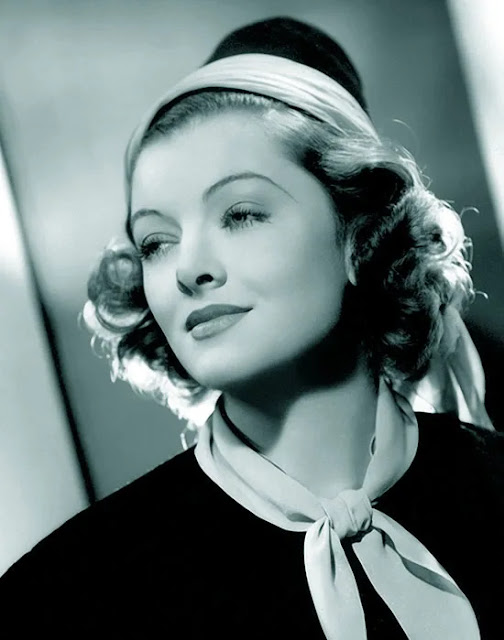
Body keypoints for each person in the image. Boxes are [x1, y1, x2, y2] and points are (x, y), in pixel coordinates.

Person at [1, 16, 502, 639]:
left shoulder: (497, 488)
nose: (189, 268)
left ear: (359, 236)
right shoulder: (62, 601)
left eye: (239, 214)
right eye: (156, 241)